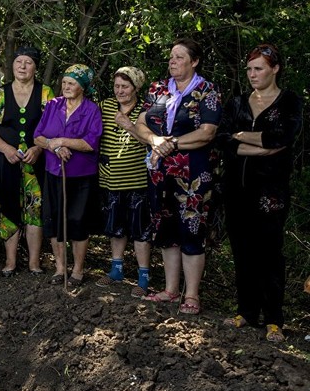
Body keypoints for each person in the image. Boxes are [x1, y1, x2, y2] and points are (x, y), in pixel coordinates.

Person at [217, 44, 302, 342]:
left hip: (270, 192)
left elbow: (282, 138)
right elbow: (224, 139)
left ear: (275, 68)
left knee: (269, 252)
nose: (252, 74)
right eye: (249, 69)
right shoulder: (237, 102)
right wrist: (257, 145)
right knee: (242, 250)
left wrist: (243, 138)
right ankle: (247, 311)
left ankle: (274, 319)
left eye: (259, 69)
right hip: (236, 189)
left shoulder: (288, 101)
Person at [136, 38, 221, 315]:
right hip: (160, 172)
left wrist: (170, 143)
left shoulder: (207, 91)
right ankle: (171, 290)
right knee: (165, 228)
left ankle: (192, 294)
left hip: (193, 172)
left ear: (194, 62)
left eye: (179, 57)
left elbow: (207, 132)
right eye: (171, 57)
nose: (172, 61)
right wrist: (154, 139)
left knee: (191, 228)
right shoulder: (158, 89)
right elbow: (140, 124)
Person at [0, 46, 54, 276]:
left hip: (36, 163)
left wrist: (38, 149)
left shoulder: (45, 93)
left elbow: (54, 128)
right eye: (18, 62)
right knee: (8, 206)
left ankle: (34, 263)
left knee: (36, 208)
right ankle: (11, 262)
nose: (23, 66)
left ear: (35, 67)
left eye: (28, 62)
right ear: (12, 66)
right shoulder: (0, 94)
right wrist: (6, 149)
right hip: (8, 161)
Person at [34, 64, 102, 287]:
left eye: (71, 83)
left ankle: (78, 271)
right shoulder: (53, 105)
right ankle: (60, 268)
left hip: (81, 175)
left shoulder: (91, 110)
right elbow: (38, 137)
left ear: (82, 87)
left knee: (77, 221)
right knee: (54, 219)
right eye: (64, 82)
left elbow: (90, 142)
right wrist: (53, 148)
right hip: (53, 172)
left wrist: (62, 141)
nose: (66, 86)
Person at [95, 66, 152, 297]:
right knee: (115, 228)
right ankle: (116, 270)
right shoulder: (106, 106)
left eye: (125, 87)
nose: (120, 91)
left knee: (140, 230)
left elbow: (151, 141)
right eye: (117, 86)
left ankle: (143, 277)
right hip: (109, 178)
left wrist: (129, 125)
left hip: (138, 180)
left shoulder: (147, 108)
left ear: (136, 87)